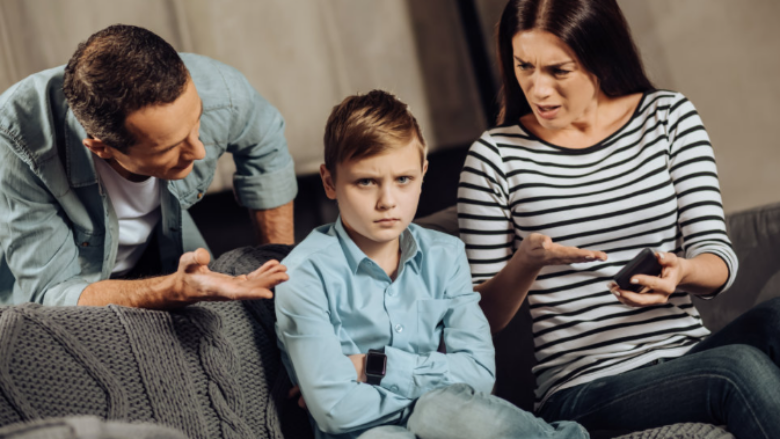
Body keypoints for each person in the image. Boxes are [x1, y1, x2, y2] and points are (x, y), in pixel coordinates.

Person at [457, 0, 780, 437]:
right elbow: (476, 318)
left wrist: (682, 272)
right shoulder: (494, 156)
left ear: (601, 58)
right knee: (735, 370)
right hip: (585, 388)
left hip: (690, 355)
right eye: (524, 66)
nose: (538, 89)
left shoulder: (668, 117)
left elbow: (716, 256)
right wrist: (525, 264)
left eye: (558, 70)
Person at [275, 90, 588, 439]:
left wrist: (373, 365)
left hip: (452, 423)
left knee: (439, 412)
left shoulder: (445, 255)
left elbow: (480, 373)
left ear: (423, 173)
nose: (387, 201)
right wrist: (431, 399)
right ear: (330, 182)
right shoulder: (303, 276)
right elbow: (336, 411)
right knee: (414, 421)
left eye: (403, 180)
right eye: (366, 182)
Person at [0, 24, 293, 308]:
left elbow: (266, 145)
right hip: (73, 289)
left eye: (197, 121)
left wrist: (278, 263)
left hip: (170, 253)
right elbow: (54, 293)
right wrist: (175, 289)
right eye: (169, 147)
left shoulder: (219, 88)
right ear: (102, 148)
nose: (199, 151)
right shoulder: (16, 142)